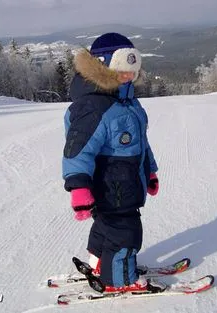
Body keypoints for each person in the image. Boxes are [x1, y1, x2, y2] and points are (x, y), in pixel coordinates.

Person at [62, 33, 160, 292]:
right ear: (104, 68)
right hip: (111, 186)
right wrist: (78, 186)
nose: (129, 76)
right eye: (122, 71)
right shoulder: (95, 107)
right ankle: (119, 280)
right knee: (126, 232)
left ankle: (99, 263)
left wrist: (149, 171)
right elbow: (77, 150)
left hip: (125, 184)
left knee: (107, 224)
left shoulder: (129, 104)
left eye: (133, 71)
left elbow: (141, 144)